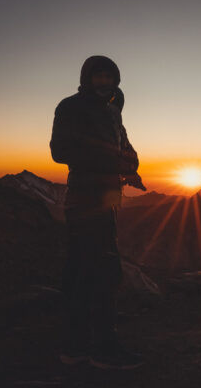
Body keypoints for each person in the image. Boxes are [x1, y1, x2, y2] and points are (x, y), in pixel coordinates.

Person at [50, 55, 147, 370]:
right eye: (98, 76)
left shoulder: (113, 111)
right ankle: (102, 349)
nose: (104, 81)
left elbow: (125, 149)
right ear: (87, 79)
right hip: (85, 199)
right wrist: (115, 162)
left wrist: (130, 167)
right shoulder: (71, 107)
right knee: (101, 272)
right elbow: (61, 151)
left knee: (83, 270)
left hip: (107, 199)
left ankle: (75, 346)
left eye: (109, 76)